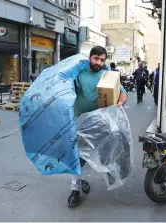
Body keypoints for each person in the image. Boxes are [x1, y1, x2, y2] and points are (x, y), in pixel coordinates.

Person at [68, 46, 128, 207]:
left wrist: (120, 103)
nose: (99, 62)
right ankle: (75, 189)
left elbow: (123, 93)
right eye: (96, 58)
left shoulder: (107, 76)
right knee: (78, 157)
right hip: (80, 121)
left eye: (102, 60)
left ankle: (89, 179)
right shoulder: (78, 74)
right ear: (90, 57)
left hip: (101, 122)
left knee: (101, 152)